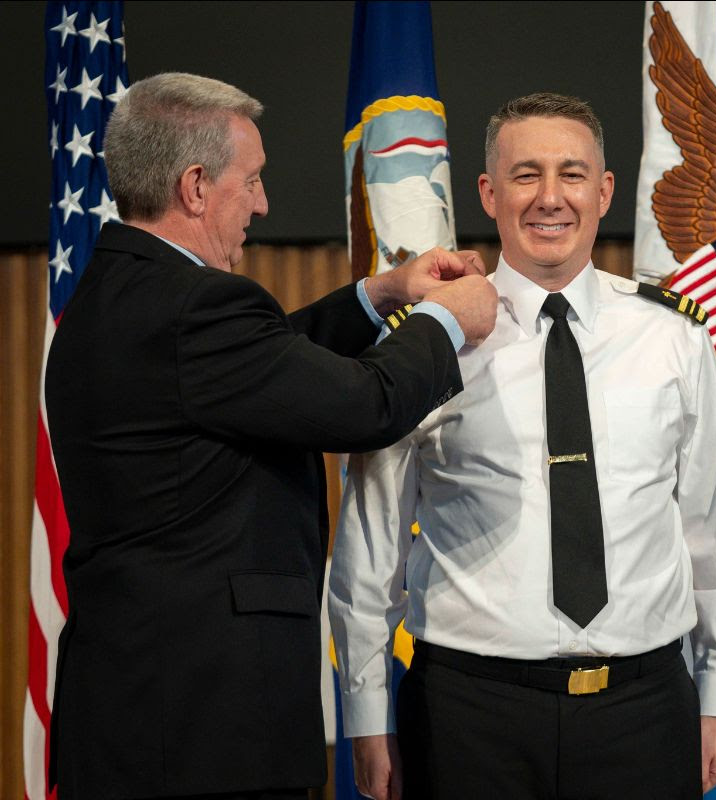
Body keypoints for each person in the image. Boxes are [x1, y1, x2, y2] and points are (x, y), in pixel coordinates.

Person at [45, 72, 498, 800]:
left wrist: (380, 294)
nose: (263, 203)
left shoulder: (122, 293)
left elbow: (264, 366)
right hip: (204, 735)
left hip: (140, 716)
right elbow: (363, 405)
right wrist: (448, 320)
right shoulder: (195, 308)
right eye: (251, 181)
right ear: (195, 186)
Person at [329, 92, 716, 800]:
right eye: (526, 174)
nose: (550, 198)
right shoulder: (425, 343)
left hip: (645, 712)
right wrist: (368, 712)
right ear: (489, 193)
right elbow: (370, 544)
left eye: (571, 173)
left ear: (604, 190)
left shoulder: (674, 338)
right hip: (468, 716)